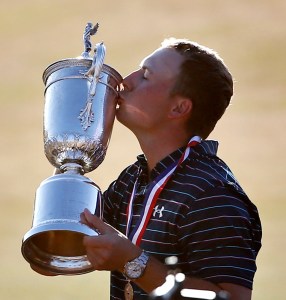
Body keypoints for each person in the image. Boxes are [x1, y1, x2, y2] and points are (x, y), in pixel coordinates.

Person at [80, 38, 262, 300]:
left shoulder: (212, 196)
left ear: (179, 108)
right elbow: (63, 246)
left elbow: (232, 298)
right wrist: (70, 151)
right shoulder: (133, 179)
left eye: (145, 75)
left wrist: (135, 263)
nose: (125, 82)